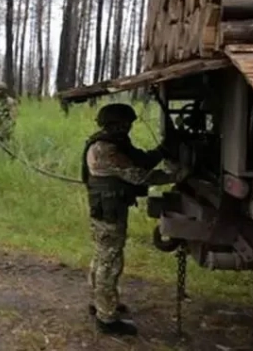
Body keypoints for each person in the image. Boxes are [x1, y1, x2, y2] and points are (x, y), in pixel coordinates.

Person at [82, 103, 184, 336]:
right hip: (109, 213)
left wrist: (161, 150)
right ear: (116, 125)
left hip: (105, 210)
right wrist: (175, 175)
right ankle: (106, 318)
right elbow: (138, 176)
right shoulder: (106, 149)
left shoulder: (108, 142)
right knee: (110, 262)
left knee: (102, 257)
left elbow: (140, 159)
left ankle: (100, 302)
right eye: (126, 124)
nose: (128, 128)